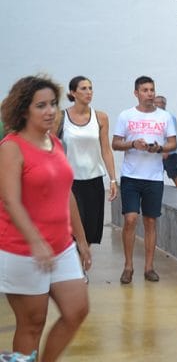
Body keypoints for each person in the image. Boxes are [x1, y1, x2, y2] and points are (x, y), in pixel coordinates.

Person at [0, 75, 91, 362]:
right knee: (32, 323)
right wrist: (35, 241)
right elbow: (10, 200)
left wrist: (80, 240)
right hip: (22, 249)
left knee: (77, 309)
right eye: (41, 105)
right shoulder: (11, 147)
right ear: (24, 111)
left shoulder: (56, 143)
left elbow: (66, 192)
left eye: (53, 103)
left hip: (61, 245)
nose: (50, 111)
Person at [111, 76, 176, 284]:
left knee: (150, 221)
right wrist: (132, 144)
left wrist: (159, 148)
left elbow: (172, 144)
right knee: (130, 219)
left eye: (152, 90)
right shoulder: (125, 115)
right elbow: (115, 143)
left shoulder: (164, 117)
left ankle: (149, 267)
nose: (150, 94)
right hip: (131, 176)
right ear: (136, 93)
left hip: (154, 176)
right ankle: (128, 266)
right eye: (145, 90)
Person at [55, 76, 118, 249]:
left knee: (90, 228)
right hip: (70, 182)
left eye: (90, 88)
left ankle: (83, 269)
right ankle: (75, 270)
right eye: (83, 88)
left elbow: (106, 149)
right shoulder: (60, 118)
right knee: (73, 228)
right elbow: (51, 148)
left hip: (94, 180)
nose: (88, 92)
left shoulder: (101, 117)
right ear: (73, 93)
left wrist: (113, 179)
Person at [154, 95, 177, 188]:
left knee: (174, 175)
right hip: (157, 153)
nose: (155, 105)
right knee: (156, 176)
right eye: (154, 103)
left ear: (164, 104)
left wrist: (166, 151)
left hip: (169, 154)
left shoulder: (170, 118)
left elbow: (171, 136)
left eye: (158, 103)